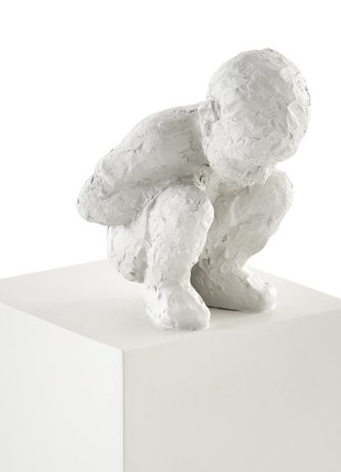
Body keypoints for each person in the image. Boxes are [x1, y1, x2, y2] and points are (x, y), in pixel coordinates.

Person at [77, 48, 310, 330]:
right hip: (143, 243)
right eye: (248, 162)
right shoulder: (160, 139)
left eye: (271, 161)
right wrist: (161, 191)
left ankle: (218, 271)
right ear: (211, 119)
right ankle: (165, 285)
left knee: (277, 188)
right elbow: (90, 203)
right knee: (189, 202)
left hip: (202, 233)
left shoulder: (246, 161)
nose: (259, 174)